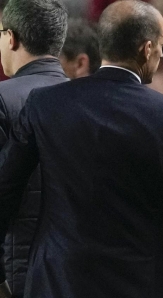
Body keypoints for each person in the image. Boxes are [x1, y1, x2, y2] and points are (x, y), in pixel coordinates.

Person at [0, 1, 163, 297]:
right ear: (146, 49)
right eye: (161, 45)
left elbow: (4, 192)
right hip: (139, 286)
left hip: (57, 283)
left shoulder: (44, 105)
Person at [0, 0, 69, 296]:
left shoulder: (3, 99)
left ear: (11, 37)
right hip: (73, 273)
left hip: (16, 272)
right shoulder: (90, 102)